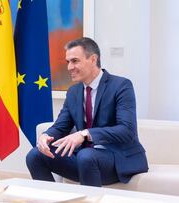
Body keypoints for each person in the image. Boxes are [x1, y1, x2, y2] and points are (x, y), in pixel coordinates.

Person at [26, 37, 148, 187]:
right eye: (68, 62)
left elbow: (127, 131)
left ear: (93, 59)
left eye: (75, 61)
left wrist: (85, 134)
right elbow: (61, 126)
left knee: (86, 156)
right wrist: (46, 136)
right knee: (35, 155)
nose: (70, 67)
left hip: (116, 158)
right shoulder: (74, 92)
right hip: (85, 159)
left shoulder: (121, 86)